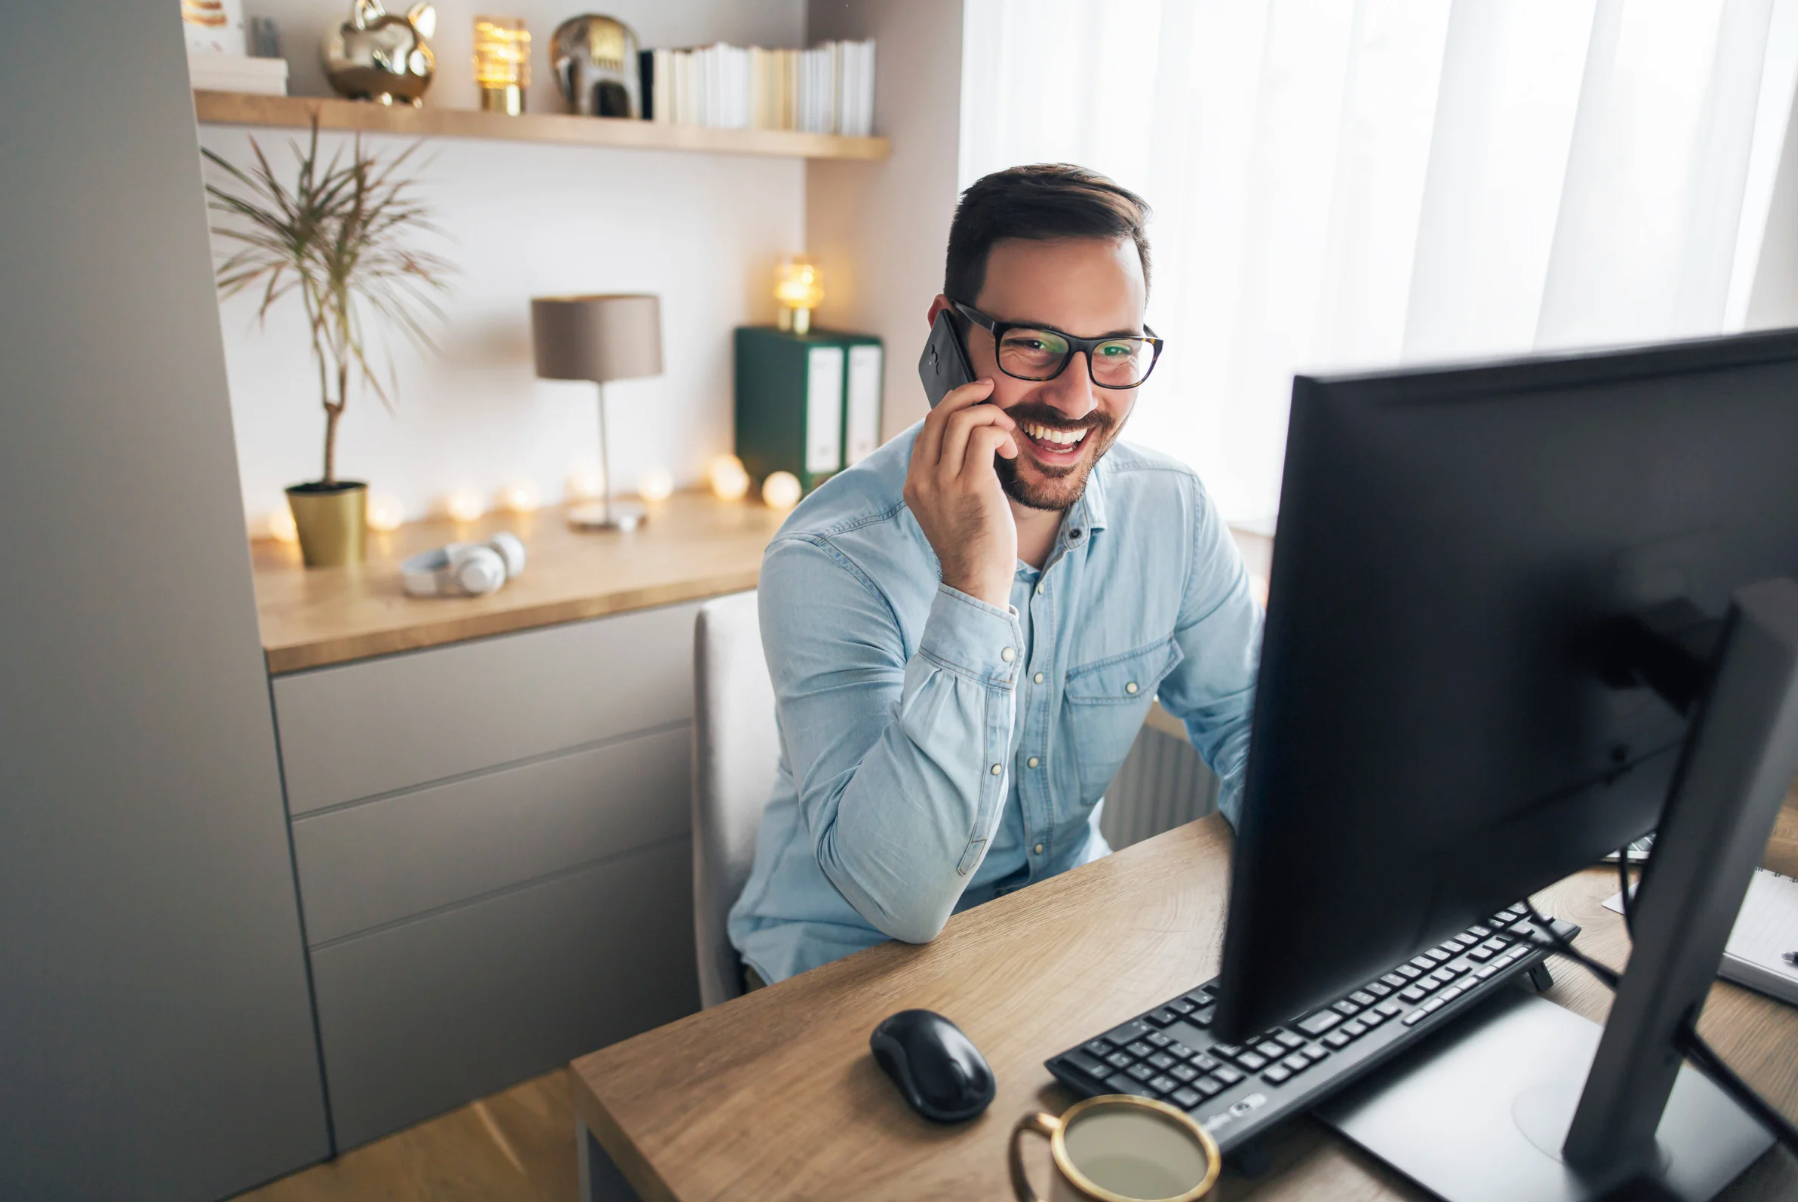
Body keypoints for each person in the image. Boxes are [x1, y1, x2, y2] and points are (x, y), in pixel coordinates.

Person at [728, 164, 1262, 986]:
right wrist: (975, 580)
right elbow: (899, 903)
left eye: (1115, 350)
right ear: (946, 335)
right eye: (1035, 345)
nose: (1078, 397)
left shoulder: (1175, 513)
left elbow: (1253, 721)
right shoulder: (830, 556)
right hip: (841, 968)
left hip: (1057, 932)